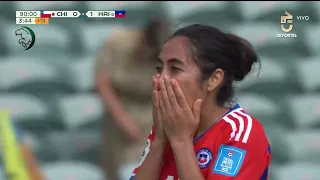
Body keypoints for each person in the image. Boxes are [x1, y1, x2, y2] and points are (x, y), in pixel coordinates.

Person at [130, 24, 271, 180]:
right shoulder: (167, 126)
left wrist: (181, 142)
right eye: (159, 68)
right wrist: (159, 142)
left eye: (175, 68)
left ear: (214, 79)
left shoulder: (240, 133)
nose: (160, 79)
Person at [95, 19, 169, 180]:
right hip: (121, 108)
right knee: (117, 168)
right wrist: (122, 118)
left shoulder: (169, 54)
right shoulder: (118, 43)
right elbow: (102, 82)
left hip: (151, 109)